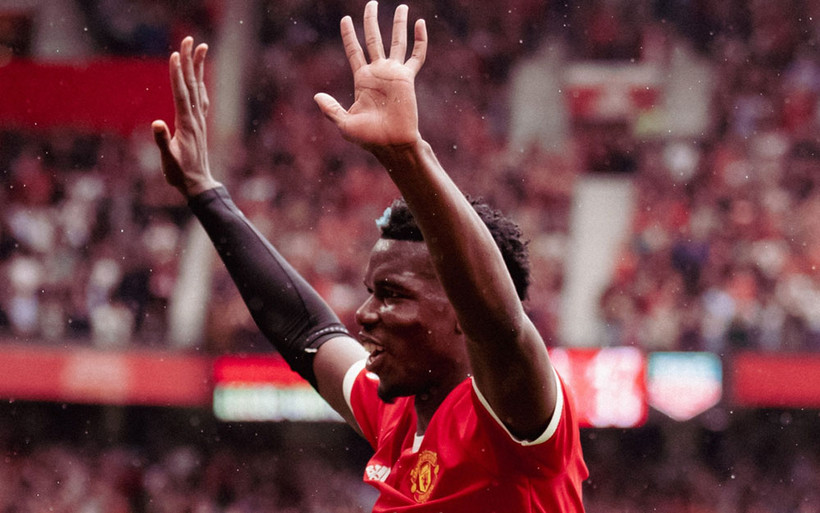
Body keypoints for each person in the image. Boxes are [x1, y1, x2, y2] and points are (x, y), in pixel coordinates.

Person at [151, 2, 588, 511]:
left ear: (461, 317)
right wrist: (206, 193)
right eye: (371, 293)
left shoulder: (517, 415)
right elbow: (307, 332)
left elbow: (500, 323)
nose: (364, 314)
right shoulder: (398, 413)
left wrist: (407, 155)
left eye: (393, 295)